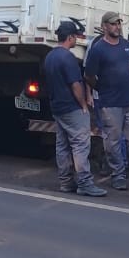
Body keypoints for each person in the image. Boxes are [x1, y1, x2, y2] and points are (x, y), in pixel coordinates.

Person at [84, 10, 129, 190]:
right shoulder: (98, 49)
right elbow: (89, 75)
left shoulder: (125, 44)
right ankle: (118, 175)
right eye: (114, 24)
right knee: (113, 141)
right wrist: (100, 88)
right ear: (104, 26)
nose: (117, 26)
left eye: (119, 23)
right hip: (110, 102)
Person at [44, 20, 107, 197]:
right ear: (70, 37)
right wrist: (83, 105)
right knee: (80, 145)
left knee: (62, 145)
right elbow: (75, 85)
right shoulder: (68, 58)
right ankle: (85, 183)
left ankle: (65, 182)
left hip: (57, 107)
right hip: (71, 107)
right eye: (76, 37)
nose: (77, 40)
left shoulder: (50, 57)